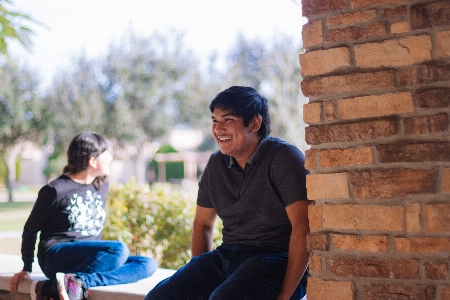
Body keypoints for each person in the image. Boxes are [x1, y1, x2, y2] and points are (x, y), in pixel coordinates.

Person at [145, 86, 310, 300]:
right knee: (160, 297)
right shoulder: (216, 164)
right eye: (214, 121)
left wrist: (284, 295)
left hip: (277, 259)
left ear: (255, 123)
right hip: (229, 255)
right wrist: (200, 279)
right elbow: (202, 224)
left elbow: (304, 226)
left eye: (228, 120)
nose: (218, 129)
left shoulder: (284, 158)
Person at [9, 132, 158, 300]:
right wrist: (26, 267)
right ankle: (72, 282)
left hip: (88, 258)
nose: (110, 157)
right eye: (106, 153)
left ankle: (70, 283)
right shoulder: (55, 190)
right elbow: (30, 230)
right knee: (118, 249)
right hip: (55, 257)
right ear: (92, 161)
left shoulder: (100, 184)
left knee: (147, 263)